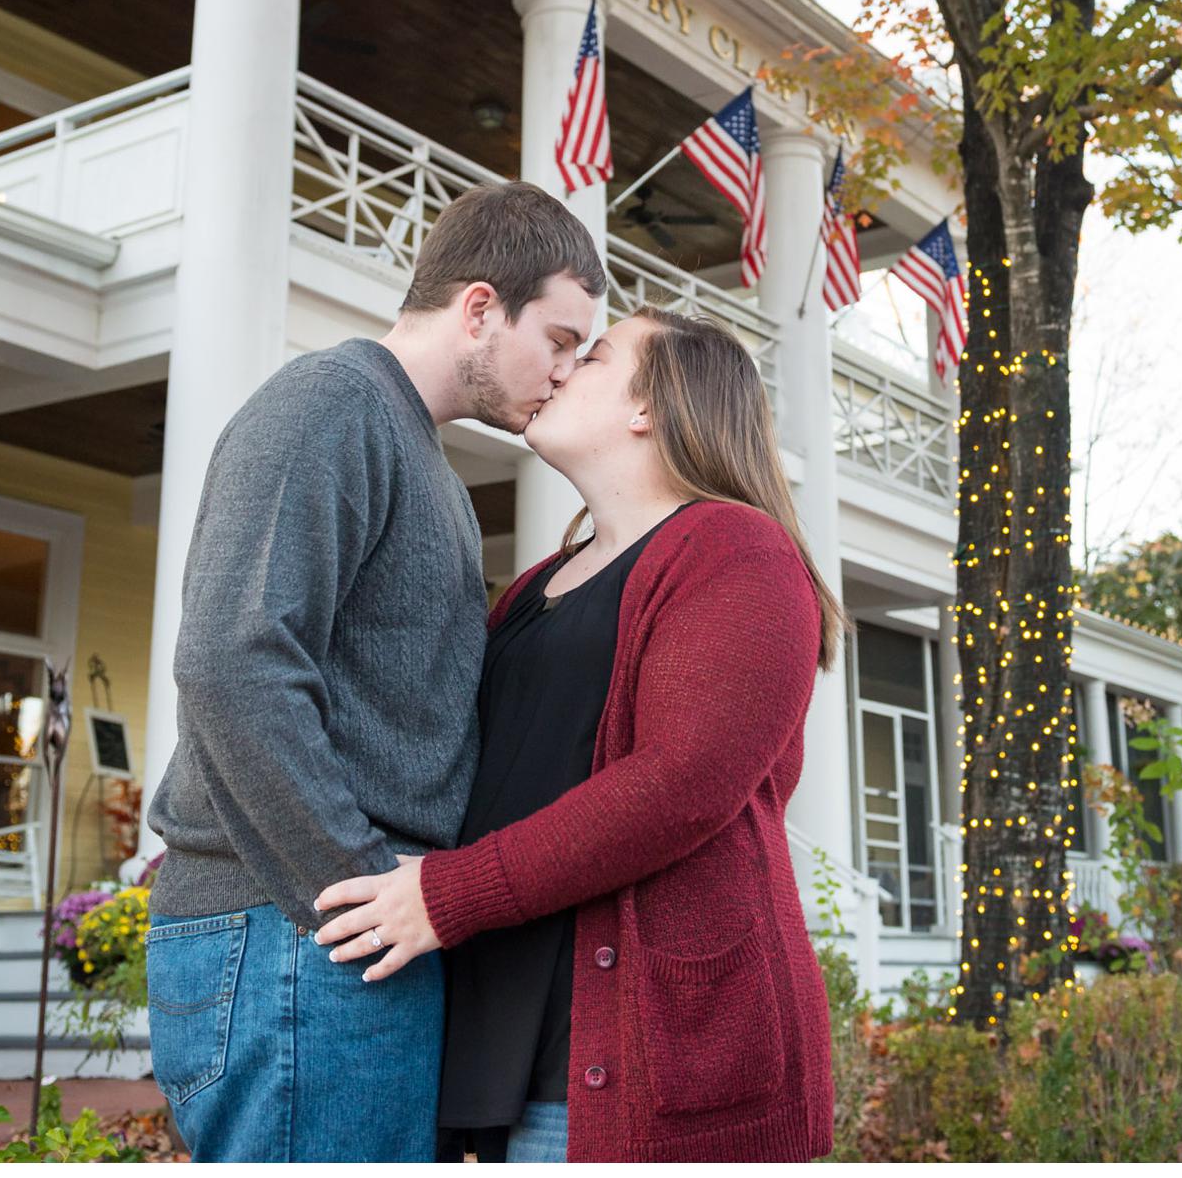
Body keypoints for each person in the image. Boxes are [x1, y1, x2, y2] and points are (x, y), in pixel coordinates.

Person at [141, 181, 607, 1163]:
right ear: (480, 308)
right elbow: (231, 661)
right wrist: (354, 885)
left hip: (340, 935)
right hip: (294, 931)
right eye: (559, 339)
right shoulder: (330, 405)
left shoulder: (425, 459)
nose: (566, 372)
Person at [314, 307, 844, 1163]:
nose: (558, 371)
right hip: (506, 1054)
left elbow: (679, 784)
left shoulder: (737, 550)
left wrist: (448, 896)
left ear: (652, 407)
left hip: (659, 1060)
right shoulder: (533, 590)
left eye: (591, 357)